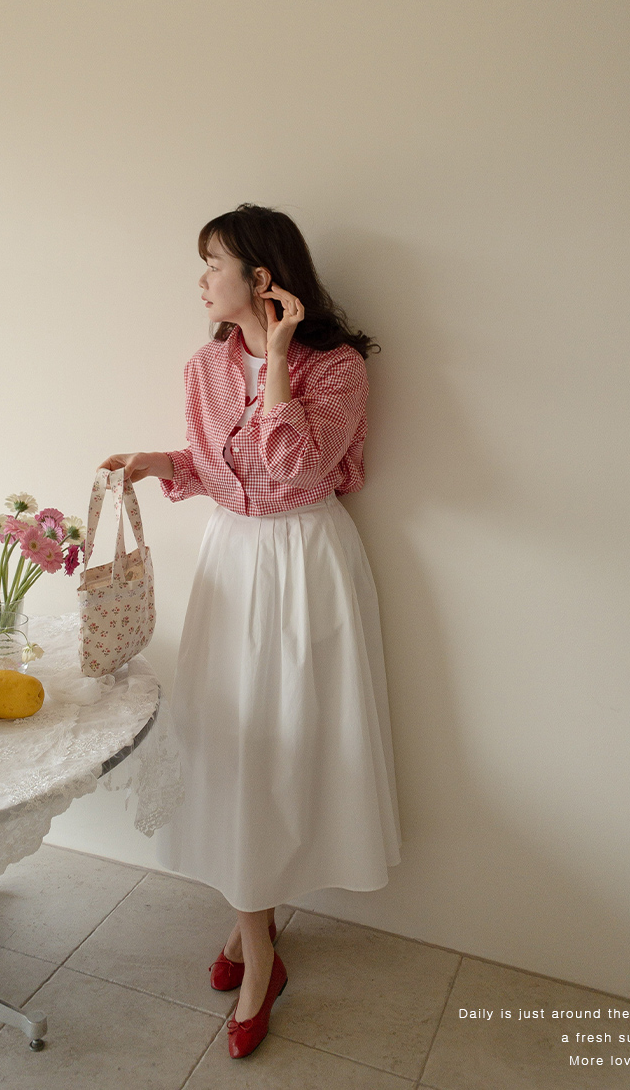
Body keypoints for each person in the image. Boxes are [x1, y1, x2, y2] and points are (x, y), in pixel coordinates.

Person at [101, 203, 401, 1059]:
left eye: (214, 263)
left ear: (262, 277)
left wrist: (278, 356)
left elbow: (293, 466)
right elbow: (217, 466)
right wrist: (161, 462)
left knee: (291, 745)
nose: (201, 280)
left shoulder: (336, 368)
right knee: (230, 744)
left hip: (306, 560)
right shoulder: (203, 366)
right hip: (232, 560)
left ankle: (256, 947)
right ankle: (254, 929)